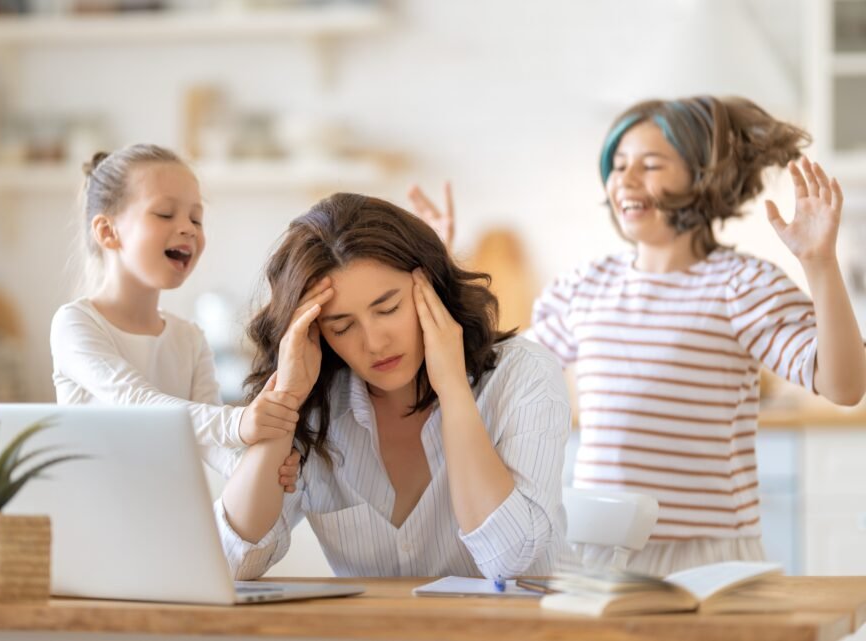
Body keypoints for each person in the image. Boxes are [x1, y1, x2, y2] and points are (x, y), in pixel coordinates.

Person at [408, 96, 866, 575]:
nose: (624, 180)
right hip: (596, 554)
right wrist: (441, 274)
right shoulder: (582, 288)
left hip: (709, 558)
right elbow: (493, 380)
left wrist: (819, 264)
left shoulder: (742, 284)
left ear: (702, 175)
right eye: (617, 165)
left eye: (650, 165)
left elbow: (844, 385)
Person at [213, 193, 571, 579]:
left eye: (388, 309)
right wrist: (286, 399)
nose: (374, 342)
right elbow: (231, 565)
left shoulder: (523, 376)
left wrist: (453, 389)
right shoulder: (316, 405)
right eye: (342, 326)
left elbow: (509, 561)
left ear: (430, 286)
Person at [50, 143, 299, 486]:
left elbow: (212, 446)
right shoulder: (75, 323)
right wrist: (237, 423)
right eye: (165, 214)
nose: (188, 228)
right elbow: (135, 400)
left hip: (170, 521)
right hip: (92, 523)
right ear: (108, 232)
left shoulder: (189, 338)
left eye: (196, 218)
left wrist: (261, 465)